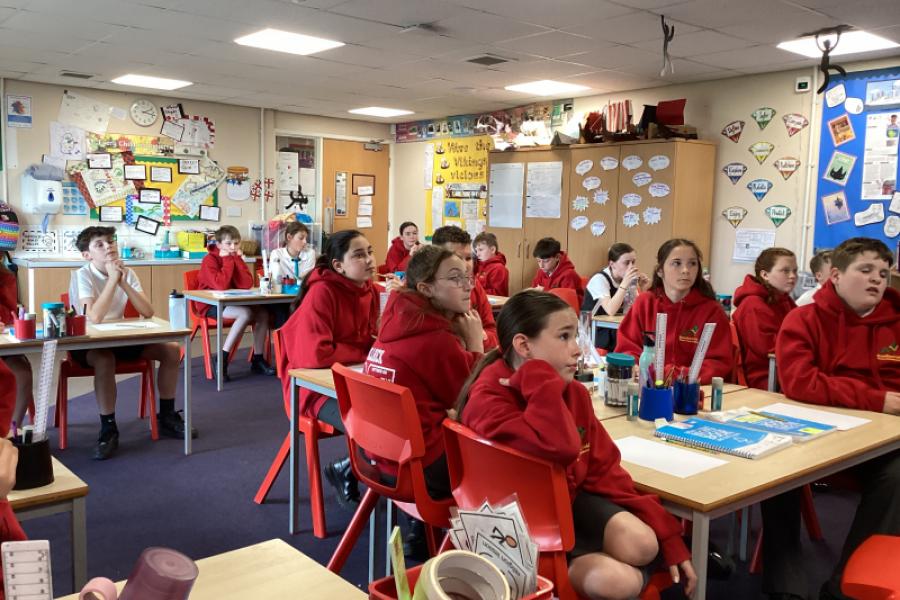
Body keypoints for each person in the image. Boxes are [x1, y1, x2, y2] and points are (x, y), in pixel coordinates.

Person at [458, 290, 696, 600]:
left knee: (645, 544)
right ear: (524, 346)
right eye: (564, 337)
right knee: (619, 583)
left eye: (575, 336)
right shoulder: (489, 398)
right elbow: (562, 447)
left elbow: (605, 470)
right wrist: (539, 382)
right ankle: (570, 578)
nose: (578, 349)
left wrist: (668, 536)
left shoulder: (573, 392)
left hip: (566, 506)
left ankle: (647, 561)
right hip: (517, 533)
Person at [776, 237, 900, 600]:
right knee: (774, 470)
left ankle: (848, 586)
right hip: (814, 436)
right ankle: (785, 586)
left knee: (897, 476)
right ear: (835, 275)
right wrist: (875, 399)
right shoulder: (803, 319)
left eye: (883, 273)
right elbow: (800, 381)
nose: (877, 279)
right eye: (866, 270)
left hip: (879, 442)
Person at [364, 245, 483, 557]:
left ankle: (426, 533)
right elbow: (473, 401)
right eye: (455, 278)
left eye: (468, 276)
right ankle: (490, 557)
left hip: (384, 456)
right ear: (426, 288)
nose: (467, 285)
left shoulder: (398, 320)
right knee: (506, 461)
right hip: (421, 468)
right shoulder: (435, 339)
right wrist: (475, 344)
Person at [69, 226, 193, 460]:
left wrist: (123, 281)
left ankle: (166, 415)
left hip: (120, 338)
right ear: (87, 255)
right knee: (105, 359)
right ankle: (108, 427)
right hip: (88, 343)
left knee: (171, 350)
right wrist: (112, 280)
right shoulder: (81, 275)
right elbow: (94, 317)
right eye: (99, 244)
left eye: (110, 241)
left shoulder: (128, 272)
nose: (108, 247)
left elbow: (147, 311)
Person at [279, 229, 380, 509]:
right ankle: (353, 469)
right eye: (358, 255)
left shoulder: (370, 290)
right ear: (338, 265)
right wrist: (364, 352)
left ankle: (347, 467)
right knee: (376, 424)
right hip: (313, 391)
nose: (369, 260)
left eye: (370, 252)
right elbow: (315, 355)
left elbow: (374, 337)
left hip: (355, 380)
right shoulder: (323, 292)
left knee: (401, 415)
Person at [615, 239, 731, 384]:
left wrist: (673, 375)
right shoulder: (644, 303)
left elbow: (717, 364)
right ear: (660, 271)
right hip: (646, 386)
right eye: (677, 263)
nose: (686, 270)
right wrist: (635, 366)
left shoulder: (712, 311)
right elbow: (627, 348)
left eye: (692, 263)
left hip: (692, 390)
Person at [198, 225, 276, 382]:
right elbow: (220, 285)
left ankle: (258, 359)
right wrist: (228, 260)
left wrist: (238, 260)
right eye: (228, 244)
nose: (233, 247)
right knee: (245, 313)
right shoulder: (209, 260)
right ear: (218, 244)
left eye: (236, 243)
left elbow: (246, 284)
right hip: (211, 304)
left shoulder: (235, 257)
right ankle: (222, 358)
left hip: (233, 302)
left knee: (263, 314)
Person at [732, 247, 798, 390]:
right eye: (785, 271)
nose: (793, 276)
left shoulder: (785, 300)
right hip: (765, 377)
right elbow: (768, 349)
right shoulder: (753, 305)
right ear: (765, 275)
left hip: (784, 370)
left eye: (795, 271)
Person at [431, 225, 499, 350]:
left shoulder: (474, 286)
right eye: (456, 258)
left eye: (468, 258)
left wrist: (479, 336)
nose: (465, 265)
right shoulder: (428, 289)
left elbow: (493, 332)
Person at [582, 243, 650, 351]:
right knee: (630, 336)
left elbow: (635, 310)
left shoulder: (625, 279)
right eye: (626, 263)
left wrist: (641, 288)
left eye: (633, 262)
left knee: (644, 331)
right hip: (596, 330)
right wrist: (625, 284)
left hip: (613, 327)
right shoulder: (599, 279)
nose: (631, 267)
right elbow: (611, 310)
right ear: (612, 264)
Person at [0, 262, 31, 431]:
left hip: (4, 346)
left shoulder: (5, 277)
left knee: (22, 372)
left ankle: (12, 432)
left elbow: (9, 316)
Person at [267, 221, 315, 327]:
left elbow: (308, 277)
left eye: (306, 238)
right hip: (280, 298)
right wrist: (297, 278)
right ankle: (283, 337)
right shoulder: (277, 253)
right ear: (289, 237)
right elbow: (275, 279)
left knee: (306, 311)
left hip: (301, 296)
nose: (305, 242)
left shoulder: (310, 253)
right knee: (283, 313)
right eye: (301, 238)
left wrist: (295, 279)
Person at [531, 237, 585, 306]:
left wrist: (544, 291)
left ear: (557, 257)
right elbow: (533, 292)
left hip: (568, 309)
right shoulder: (541, 272)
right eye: (538, 261)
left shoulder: (569, 274)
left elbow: (567, 302)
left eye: (546, 261)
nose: (541, 265)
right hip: (546, 307)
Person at [473, 232, 509, 296]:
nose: (477, 254)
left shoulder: (499, 268)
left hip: (491, 301)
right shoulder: (478, 264)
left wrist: (474, 291)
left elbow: (498, 294)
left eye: (480, 250)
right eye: (476, 251)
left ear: (492, 250)